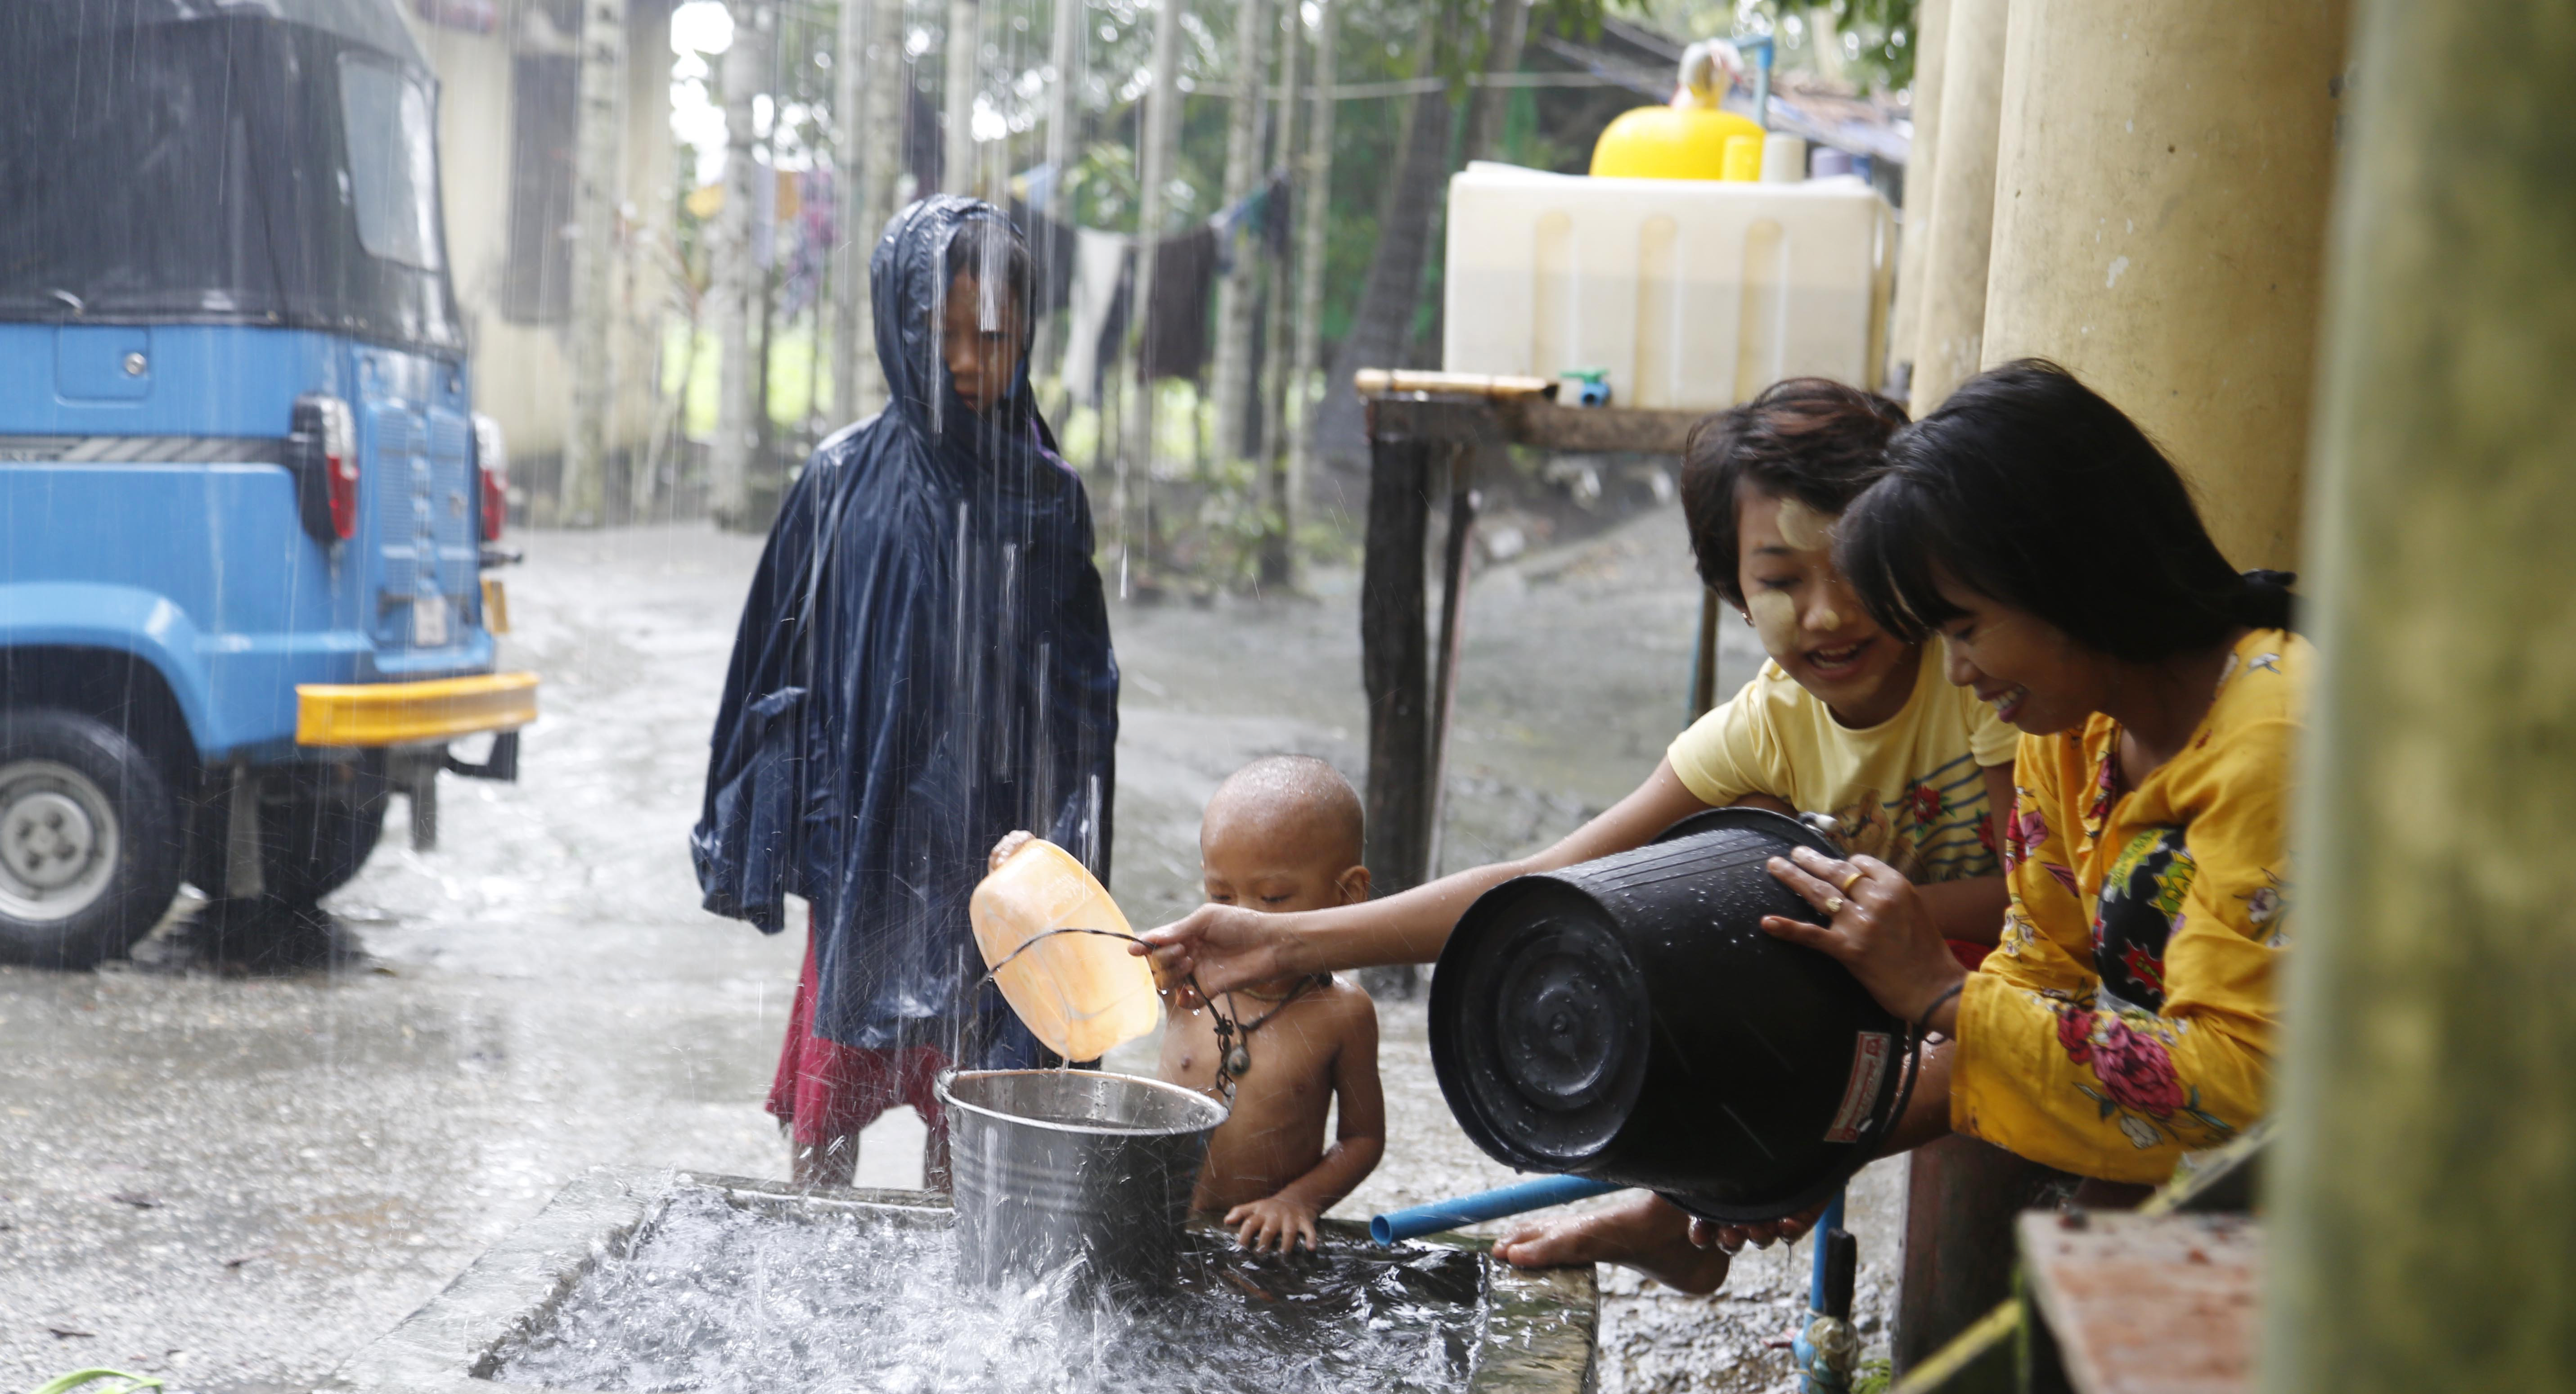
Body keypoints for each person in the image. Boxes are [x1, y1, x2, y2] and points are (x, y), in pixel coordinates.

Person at [1137, 379, 2018, 1286]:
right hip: (1868, 954)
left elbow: (2042, 902)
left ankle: (1714, 1197)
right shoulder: (1766, 725)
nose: (1828, 613)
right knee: (1676, 910)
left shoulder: (1976, 674)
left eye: (1854, 566)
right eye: (1783, 580)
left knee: (1800, 926)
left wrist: (1860, 919)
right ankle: (1703, 1191)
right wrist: (1282, 941)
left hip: (1997, 966)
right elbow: (1541, 883)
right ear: (1737, 595)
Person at [1743, 358, 2306, 1229]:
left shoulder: (2278, 735)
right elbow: (2040, 979)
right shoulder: (2070, 731)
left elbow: (2248, 1087)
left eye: (1965, 629)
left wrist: (1941, 991)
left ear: (2067, 576)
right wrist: (1794, 1163)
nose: (1958, 672)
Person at [693, 198, 1120, 1191]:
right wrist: (760, 821)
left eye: (993, 336)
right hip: (865, 836)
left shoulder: (1044, 498)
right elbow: (772, 662)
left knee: (980, 1111)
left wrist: (1067, 847)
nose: (966, 361)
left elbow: (1082, 702)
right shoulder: (840, 479)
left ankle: (958, 1241)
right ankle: (812, 1242)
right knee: (831, 1095)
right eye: (940, 332)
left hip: (995, 851)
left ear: (1027, 334)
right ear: (899, 323)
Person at [1154, 757, 1385, 1254]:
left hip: (1259, 1244)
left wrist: (1299, 1201)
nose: (1241, 921)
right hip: (1162, 1225)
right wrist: (1029, 868)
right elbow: (1085, 968)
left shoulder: (1343, 1014)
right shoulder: (1183, 979)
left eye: (1274, 898)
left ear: (1348, 894)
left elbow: (1363, 1139)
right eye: (1221, 896)